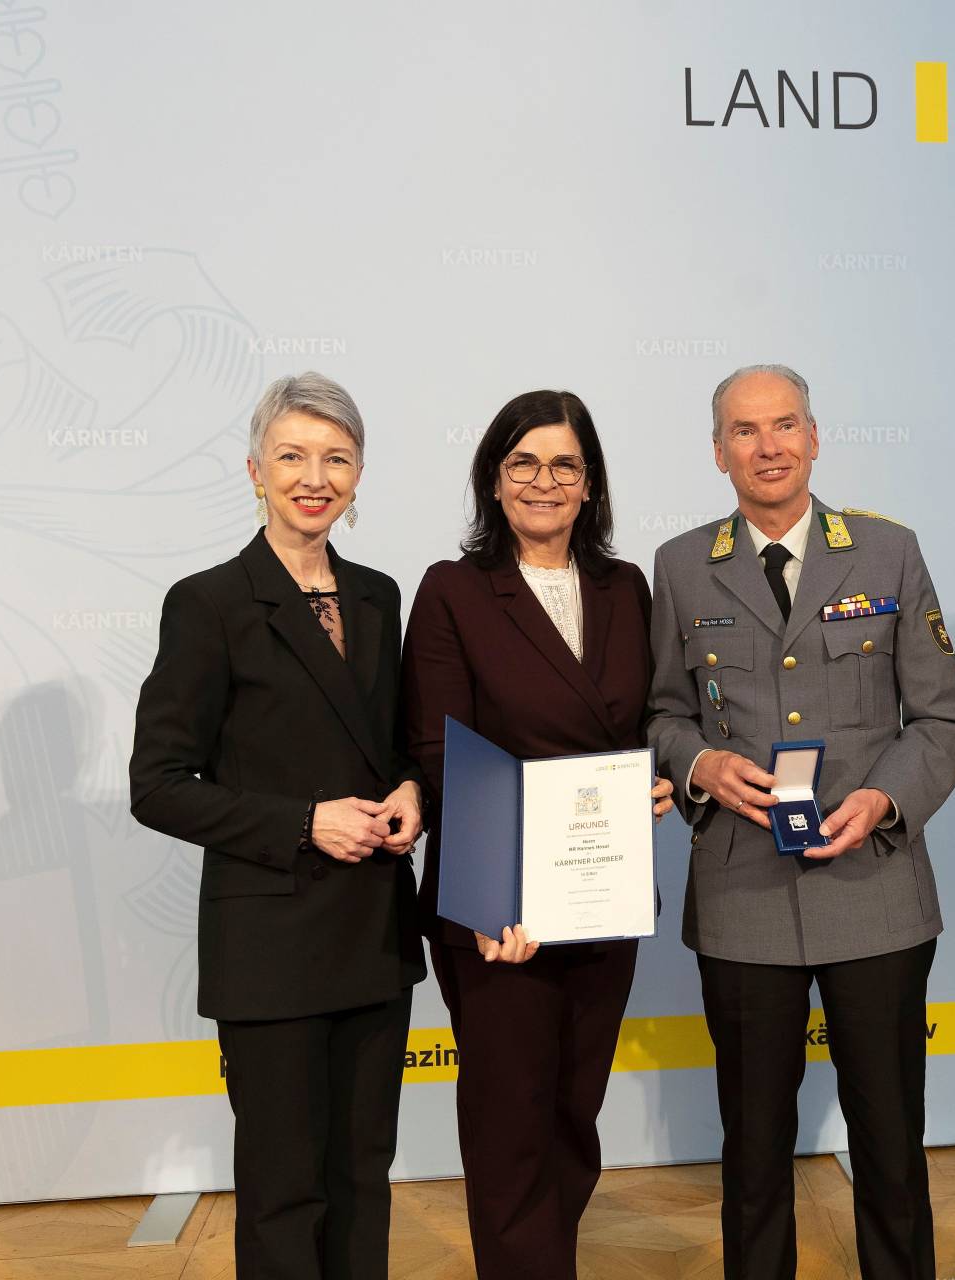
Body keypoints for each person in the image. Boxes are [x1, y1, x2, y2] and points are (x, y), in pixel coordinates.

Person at [645, 364, 955, 1280]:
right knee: (752, 1155)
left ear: (815, 436)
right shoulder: (678, 566)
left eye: (784, 425)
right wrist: (697, 762)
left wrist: (886, 799)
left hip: (875, 888)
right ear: (718, 452)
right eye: (745, 432)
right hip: (744, 896)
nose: (768, 446)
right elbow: (659, 715)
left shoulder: (888, 550)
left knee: (890, 1143)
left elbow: (947, 718)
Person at [129, 372, 426, 1279]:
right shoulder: (208, 602)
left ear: (361, 474)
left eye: (336, 458)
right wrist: (303, 821)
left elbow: (399, 741)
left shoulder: (379, 595)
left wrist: (416, 789)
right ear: (254, 469)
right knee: (282, 1185)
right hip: (269, 940)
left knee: (363, 1174)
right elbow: (159, 784)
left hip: (374, 929)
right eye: (293, 456)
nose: (315, 476)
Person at [400, 389, 673, 1280]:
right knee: (510, 1128)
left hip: (604, 896)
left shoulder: (625, 587)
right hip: (501, 917)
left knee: (570, 1122)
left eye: (564, 464)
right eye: (523, 463)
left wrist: (654, 784)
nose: (544, 481)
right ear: (493, 477)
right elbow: (440, 751)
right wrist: (489, 897)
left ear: (589, 483)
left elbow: (642, 726)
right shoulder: (454, 590)